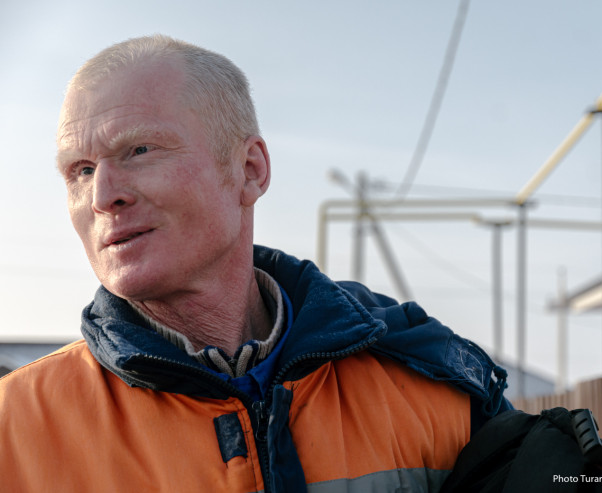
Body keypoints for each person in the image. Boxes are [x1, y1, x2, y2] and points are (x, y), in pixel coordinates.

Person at [0, 34, 509, 492]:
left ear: (249, 170)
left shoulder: (431, 384)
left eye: (139, 150)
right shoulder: (14, 427)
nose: (102, 196)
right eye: (81, 170)